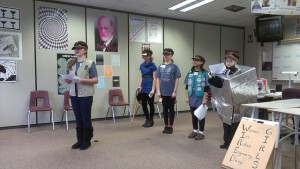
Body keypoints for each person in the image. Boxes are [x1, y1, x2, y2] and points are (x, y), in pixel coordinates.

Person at [65, 41, 98, 150]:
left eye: (79, 48)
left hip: (86, 95)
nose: (76, 49)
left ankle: (86, 140)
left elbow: (95, 80)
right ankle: (79, 140)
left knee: (85, 117)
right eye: (75, 48)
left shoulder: (90, 63)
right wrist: (66, 79)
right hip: (74, 95)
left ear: (85, 50)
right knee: (78, 117)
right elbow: (69, 81)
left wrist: (81, 80)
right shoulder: (70, 63)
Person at [208, 52, 240, 149]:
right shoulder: (224, 72)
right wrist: (212, 78)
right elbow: (219, 84)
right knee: (226, 122)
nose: (228, 63)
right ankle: (226, 142)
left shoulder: (239, 72)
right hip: (225, 101)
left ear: (235, 61)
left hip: (235, 101)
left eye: (231, 61)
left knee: (234, 123)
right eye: (227, 61)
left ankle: (232, 144)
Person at [184, 55, 209, 140]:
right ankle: (195, 130)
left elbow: (206, 87)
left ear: (201, 62)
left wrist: (204, 98)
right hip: (192, 96)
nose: (194, 61)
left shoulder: (205, 73)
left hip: (200, 97)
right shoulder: (190, 72)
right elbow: (187, 86)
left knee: (201, 115)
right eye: (193, 60)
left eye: (197, 60)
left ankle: (201, 132)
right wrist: (187, 97)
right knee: (193, 115)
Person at [156, 48, 181, 134]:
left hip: (171, 92)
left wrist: (175, 91)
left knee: (171, 109)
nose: (165, 56)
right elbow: (158, 79)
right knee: (165, 109)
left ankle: (171, 126)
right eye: (164, 54)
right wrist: (158, 91)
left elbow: (177, 79)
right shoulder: (160, 66)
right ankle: (166, 125)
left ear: (171, 55)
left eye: (167, 55)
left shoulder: (174, 66)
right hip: (163, 92)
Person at [137, 49, 157, 127]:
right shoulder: (142, 65)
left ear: (150, 56)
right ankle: (147, 118)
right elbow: (142, 76)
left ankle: (151, 120)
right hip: (144, 85)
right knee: (143, 104)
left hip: (150, 85)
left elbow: (155, 77)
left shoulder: (153, 65)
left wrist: (153, 89)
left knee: (151, 103)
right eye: (143, 56)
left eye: (146, 56)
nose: (144, 57)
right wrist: (139, 85)